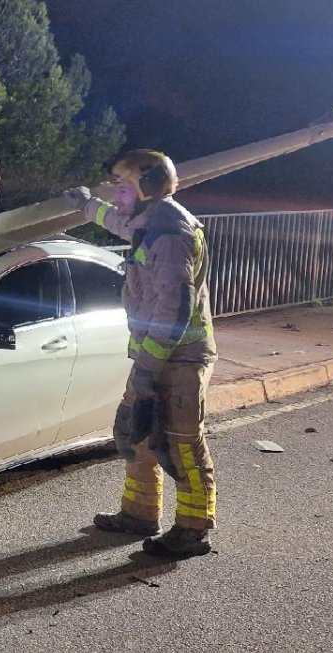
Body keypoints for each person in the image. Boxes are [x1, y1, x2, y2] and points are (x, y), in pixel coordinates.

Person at [64, 149, 217, 557]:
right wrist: (84, 204)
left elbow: (175, 309)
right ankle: (139, 514)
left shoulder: (170, 233)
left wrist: (148, 369)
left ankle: (192, 529)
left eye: (121, 185)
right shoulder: (147, 222)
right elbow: (116, 221)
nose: (115, 193)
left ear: (146, 186)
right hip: (153, 355)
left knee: (183, 443)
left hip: (180, 357)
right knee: (137, 434)